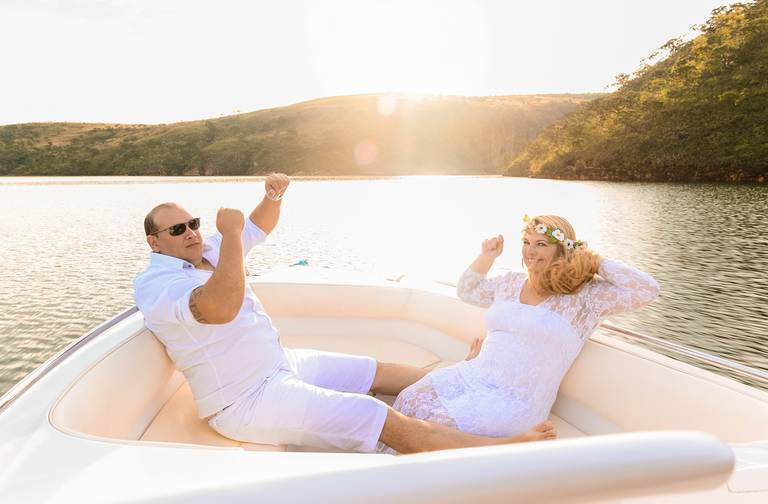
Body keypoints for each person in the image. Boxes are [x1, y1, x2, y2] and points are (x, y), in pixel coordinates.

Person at [134, 174, 555, 455]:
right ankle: (502, 448)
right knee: (378, 416)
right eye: (178, 229)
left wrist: (272, 196)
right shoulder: (157, 284)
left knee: (380, 371)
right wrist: (228, 236)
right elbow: (220, 307)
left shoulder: (207, 249)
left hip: (280, 364)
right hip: (244, 400)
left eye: (193, 223)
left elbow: (258, 226)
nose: (191, 233)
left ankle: (468, 378)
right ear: (155, 242)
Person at [378, 214, 660, 453]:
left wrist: (593, 260)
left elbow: (646, 289)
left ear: (563, 249)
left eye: (541, 244)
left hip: (515, 400)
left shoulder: (585, 298)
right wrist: (487, 256)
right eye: (526, 242)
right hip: (474, 376)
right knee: (410, 399)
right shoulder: (511, 283)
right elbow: (468, 290)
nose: (529, 251)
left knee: (436, 428)